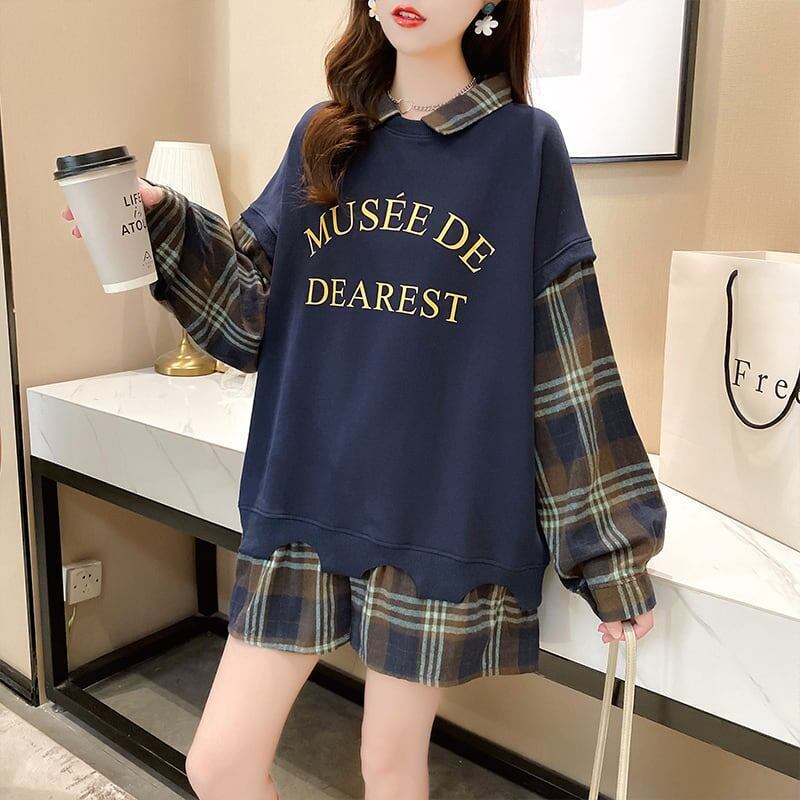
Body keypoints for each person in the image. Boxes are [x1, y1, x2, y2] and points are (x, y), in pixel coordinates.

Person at [63, 2, 666, 798]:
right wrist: (161, 222)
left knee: (388, 764)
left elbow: (567, 360)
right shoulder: (324, 135)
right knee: (218, 765)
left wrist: (610, 554)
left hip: (433, 513)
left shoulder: (525, 147)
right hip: (304, 492)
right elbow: (247, 318)